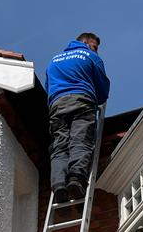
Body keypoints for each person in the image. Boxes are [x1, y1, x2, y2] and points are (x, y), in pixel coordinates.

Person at [45, 33, 110, 202]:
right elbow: (103, 90)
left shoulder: (53, 61)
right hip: (81, 101)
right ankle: (75, 179)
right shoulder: (90, 57)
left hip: (57, 106)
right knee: (80, 140)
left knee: (60, 146)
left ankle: (59, 184)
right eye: (94, 46)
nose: (96, 51)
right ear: (85, 42)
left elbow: (49, 87)